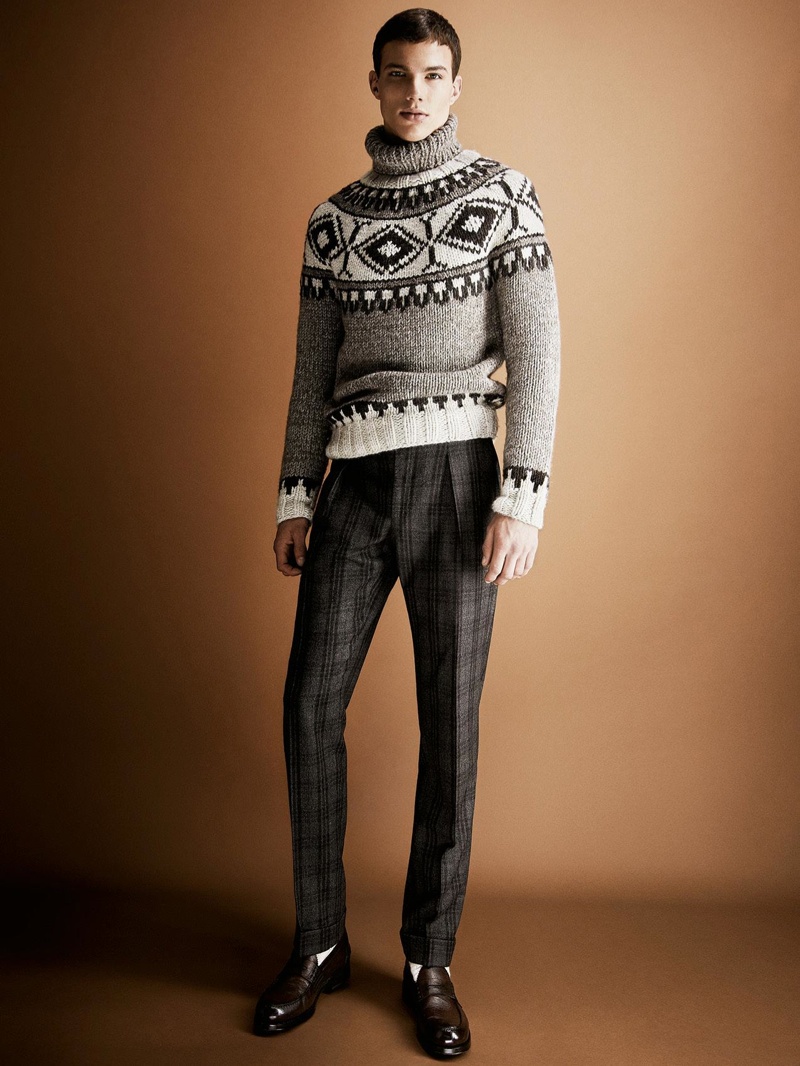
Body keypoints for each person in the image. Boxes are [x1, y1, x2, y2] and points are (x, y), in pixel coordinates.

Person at [253, 7, 561, 1057]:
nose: (414, 93)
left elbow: (538, 350)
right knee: (309, 706)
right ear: (374, 85)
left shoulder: (502, 195)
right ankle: (319, 942)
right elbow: (310, 370)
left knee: (450, 721)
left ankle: (431, 960)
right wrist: (296, 495)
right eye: (397, 75)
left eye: (432, 75)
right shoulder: (331, 222)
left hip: (459, 481)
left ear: (455, 85)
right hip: (354, 483)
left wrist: (522, 494)